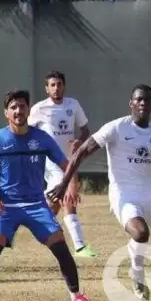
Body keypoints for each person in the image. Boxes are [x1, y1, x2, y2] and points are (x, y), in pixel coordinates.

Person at [51, 85, 151, 301]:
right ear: (131, 104)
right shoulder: (116, 128)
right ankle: (137, 275)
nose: (143, 103)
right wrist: (65, 184)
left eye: (147, 100)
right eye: (138, 100)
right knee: (140, 232)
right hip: (123, 194)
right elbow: (81, 151)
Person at [0, 90, 93, 301]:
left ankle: (76, 296)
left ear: (29, 110)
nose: (18, 111)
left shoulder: (42, 138)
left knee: (61, 248)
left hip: (37, 204)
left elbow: (67, 166)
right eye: (14, 107)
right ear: (6, 113)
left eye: (22, 106)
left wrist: (69, 185)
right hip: (6, 205)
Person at [28, 71, 97, 258]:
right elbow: (27, 133)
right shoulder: (38, 109)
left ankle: (36, 218)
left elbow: (85, 131)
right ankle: (80, 246)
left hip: (69, 160)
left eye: (59, 84)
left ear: (63, 86)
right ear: (46, 88)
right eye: (52, 85)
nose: (56, 88)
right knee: (68, 196)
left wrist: (79, 141)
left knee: (53, 205)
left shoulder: (73, 105)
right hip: (50, 162)